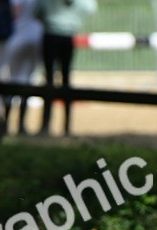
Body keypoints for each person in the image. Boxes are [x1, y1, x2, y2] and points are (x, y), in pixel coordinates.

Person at [35, 0, 97, 135]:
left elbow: (37, 12)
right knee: (66, 80)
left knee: (49, 80)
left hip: (50, 35)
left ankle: (45, 125)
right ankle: (67, 126)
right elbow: (91, 8)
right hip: (68, 36)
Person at [3, 0, 43, 134]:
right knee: (27, 81)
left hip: (17, 37)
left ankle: (6, 122)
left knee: (12, 80)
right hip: (37, 38)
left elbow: (15, 11)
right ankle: (21, 125)